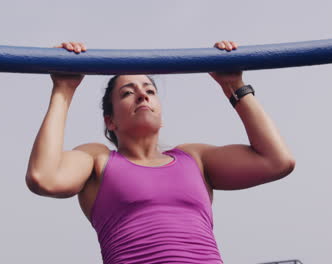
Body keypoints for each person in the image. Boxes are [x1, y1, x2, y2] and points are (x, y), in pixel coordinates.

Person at [25, 40, 296, 264]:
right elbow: (43, 177)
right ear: (110, 120)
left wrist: (234, 85)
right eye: (127, 93)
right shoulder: (98, 160)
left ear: (161, 112)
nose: (142, 96)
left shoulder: (193, 158)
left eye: (150, 91)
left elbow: (277, 160)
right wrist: (63, 89)